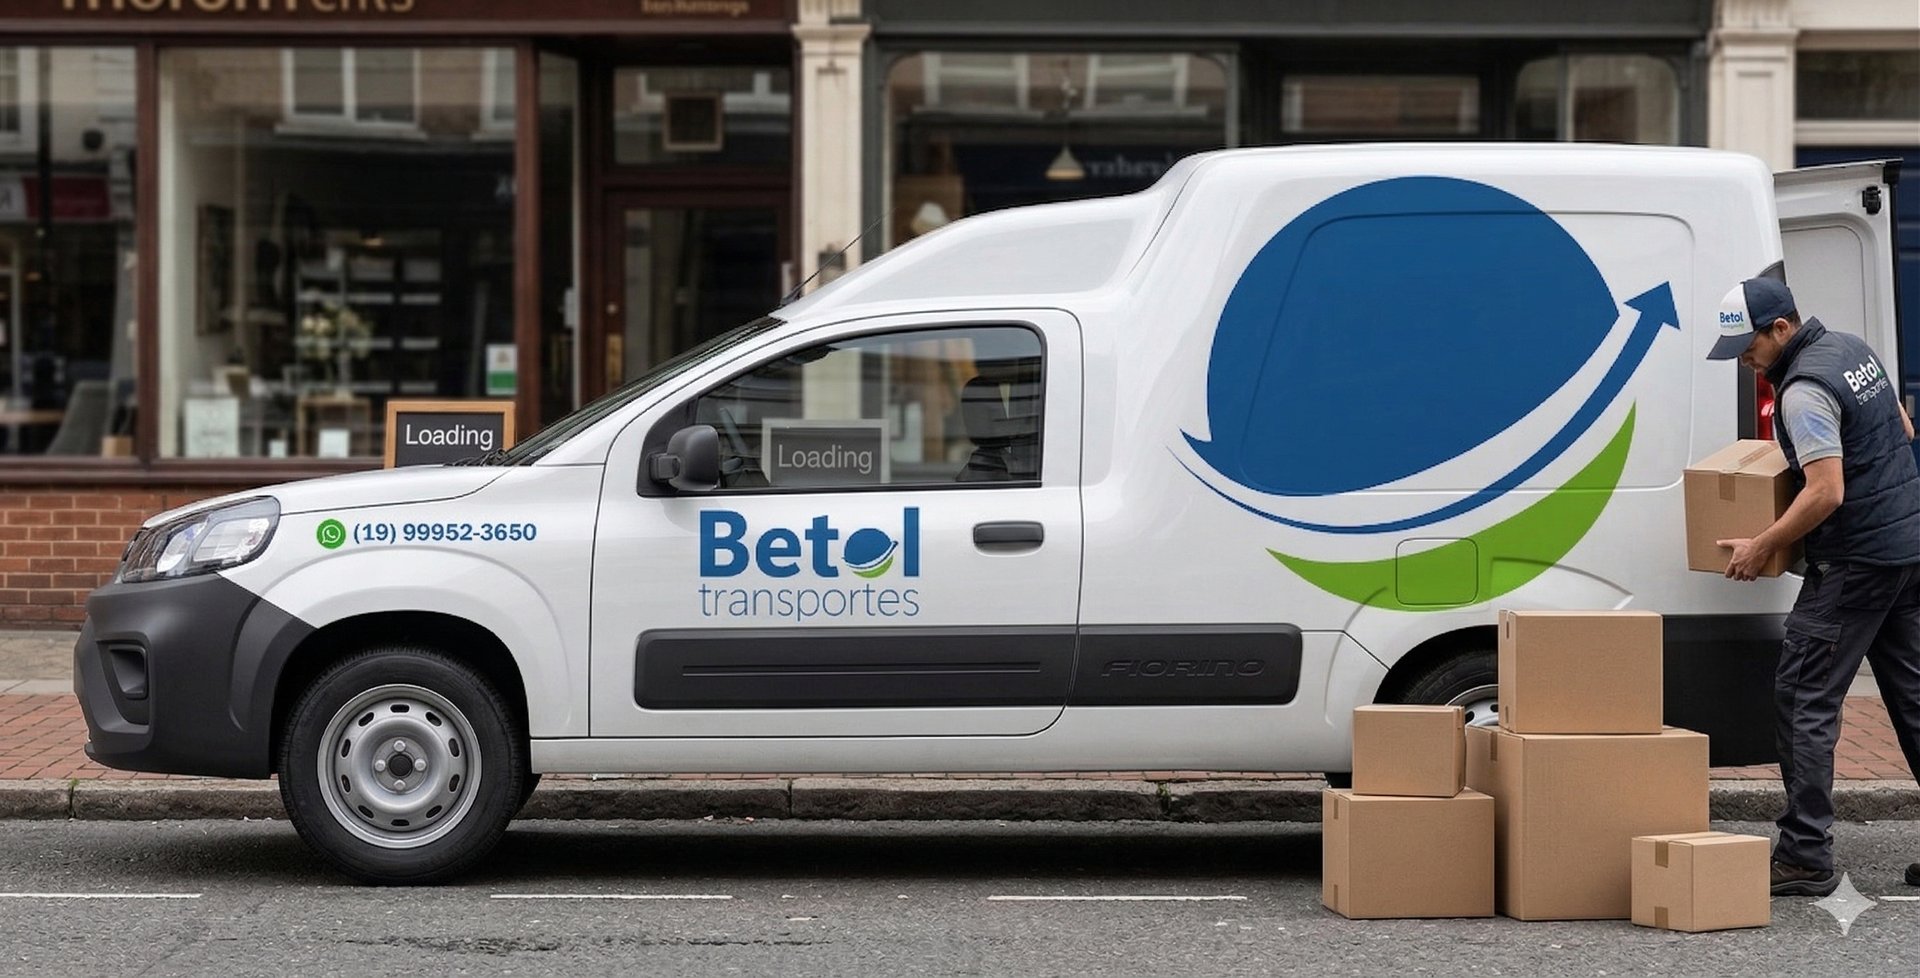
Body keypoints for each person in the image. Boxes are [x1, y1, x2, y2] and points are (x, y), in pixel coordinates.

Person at [1708, 276, 1920, 896]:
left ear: (1781, 329)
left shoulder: (1804, 391)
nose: (1746, 362)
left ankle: (1804, 854)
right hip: (1904, 552)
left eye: (1749, 349)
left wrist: (1762, 543)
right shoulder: (1855, 350)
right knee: (1911, 700)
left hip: (1853, 563)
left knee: (1804, 698)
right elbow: (1901, 430)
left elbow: (1828, 490)